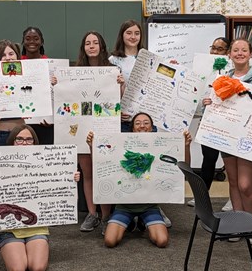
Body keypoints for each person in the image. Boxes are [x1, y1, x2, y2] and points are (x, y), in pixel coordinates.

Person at [0, 124, 80, 271]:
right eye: (20, 139)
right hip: (8, 228)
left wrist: (70, 181)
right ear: (12, 142)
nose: (24, 143)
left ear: (35, 142)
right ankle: (3, 243)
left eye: (29, 140)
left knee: (37, 269)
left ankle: (34, 245)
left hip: (37, 228)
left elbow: (67, 197)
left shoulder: (45, 165)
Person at [202, 38, 252, 246]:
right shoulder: (224, 78)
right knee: (233, 183)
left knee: (245, 185)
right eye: (236, 50)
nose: (240, 53)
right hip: (228, 137)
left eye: (244, 50)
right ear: (230, 55)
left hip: (250, 139)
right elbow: (220, 103)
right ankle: (240, 224)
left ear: (250, 54)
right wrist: (210, 102)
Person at [86, 112, 192, 248]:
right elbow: (100, 165)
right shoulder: (121, 146)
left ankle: (143, 221)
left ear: (152, 127)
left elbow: (183, 169)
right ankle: (131, 222)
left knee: (162, 241)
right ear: (132, 128)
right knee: (110, 241)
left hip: (149, 206)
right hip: (124, 206)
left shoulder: (162, 146)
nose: (142, 126)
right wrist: (91, 146)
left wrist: (187, 146)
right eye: (137, 123)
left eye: (146, 123)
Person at [108, 20, 172, 228]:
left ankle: (152, 206)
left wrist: (173, 69)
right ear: (122, 35)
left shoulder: (150, 59)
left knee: (150, 162)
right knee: (127, 163)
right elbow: (107, 93)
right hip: (125, 120)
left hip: (146, 120)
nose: (133, 37)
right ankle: (126, 207)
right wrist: (116, 112)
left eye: (137, 33)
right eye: (129, 33)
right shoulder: (112, 60)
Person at [74, 31, 125, 234]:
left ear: (102, 46)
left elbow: (118, 100)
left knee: (103, 171)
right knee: (87, 173)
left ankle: (106, 216)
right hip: (81, 126)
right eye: (88, 43)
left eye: (95, 42)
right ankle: (92, 214)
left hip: (105, 127)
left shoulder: (113, 70)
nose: (92, 46)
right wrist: (56, 85)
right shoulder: (76, 71)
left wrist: (121, 85)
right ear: (83, 48)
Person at [187, 37, 233, 212]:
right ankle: (202, 196)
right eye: (213, 48)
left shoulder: (232, 69)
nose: (215, 52)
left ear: (227, 52)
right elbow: (196, 97)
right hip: (209, 120)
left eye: (219, 49)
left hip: (229, 122)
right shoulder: (203, 69)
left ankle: (233, 199)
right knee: (209, 159)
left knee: (230, 163)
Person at [0, 40, 26, 147]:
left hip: (20, 134)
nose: (8, 58)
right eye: (2, 55)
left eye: (11, 54)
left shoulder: (27, 77)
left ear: (17, 55)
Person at [20, 27, 55, 145]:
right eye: (28, 39)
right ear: (23, 42)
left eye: (36, 38)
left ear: (42, 41)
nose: (32, 42)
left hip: (45, 123)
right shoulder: (16, 65)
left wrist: (53, 119)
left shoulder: (52, 65)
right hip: (22, 123)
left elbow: (57, 94)